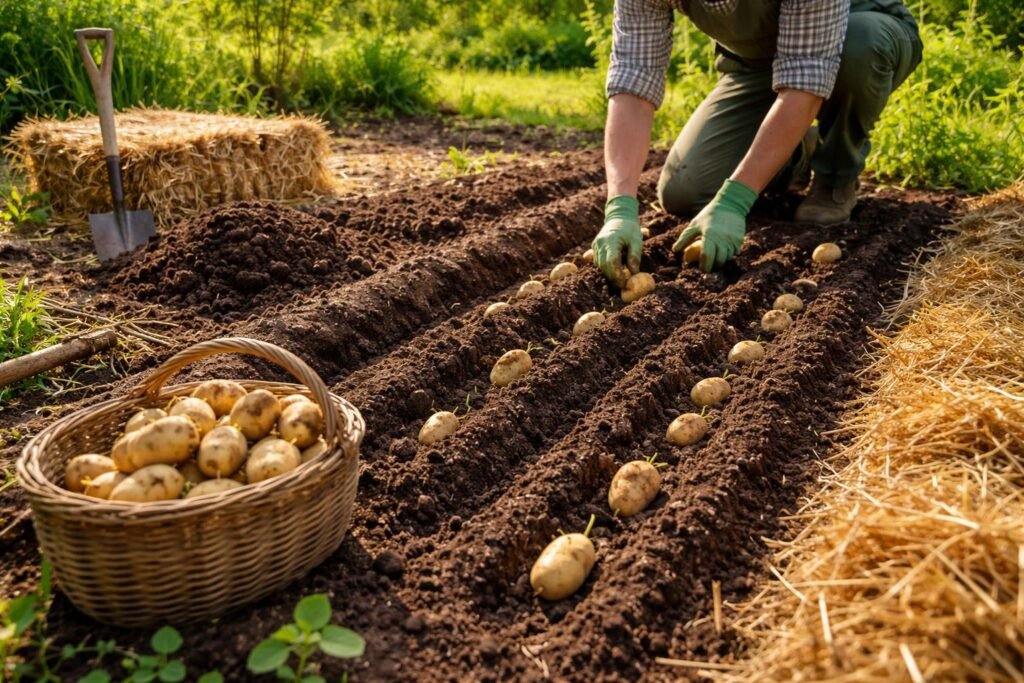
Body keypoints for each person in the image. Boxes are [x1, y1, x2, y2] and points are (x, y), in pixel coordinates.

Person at [592, 0, 922, 282]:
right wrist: (619, 206)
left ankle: (836, 175)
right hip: (756, 64)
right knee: (685, 192)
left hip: (854, 35)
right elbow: (633, 79)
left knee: (861, 45)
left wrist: (735, 199)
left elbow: (805, 79)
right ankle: (795, 150)